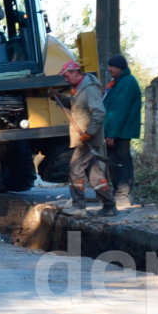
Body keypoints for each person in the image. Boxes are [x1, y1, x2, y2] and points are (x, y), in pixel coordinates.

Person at [48, 61, 117, 217]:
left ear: (75, 72)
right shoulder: (80, 89)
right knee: (94, 174)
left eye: (66, 76)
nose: (65, 80)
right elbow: (76, 106)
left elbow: (99, 113)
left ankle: (79, 207)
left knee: (75, 168)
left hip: (87, 139)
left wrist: (90, 133)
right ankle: (109, 206)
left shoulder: (90, 89)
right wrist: (60, 98)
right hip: (85, 137)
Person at [102, 54, 142, 209]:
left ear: (120, 67)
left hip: (120, 132)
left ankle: (123, 198)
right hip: (118, 131)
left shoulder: (126, 83)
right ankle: (119, 195)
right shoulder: (119, 82)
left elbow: (118, 111)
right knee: (116, 163)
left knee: (122, 163)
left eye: (112, 66)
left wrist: (111, 134)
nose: (109, 69)